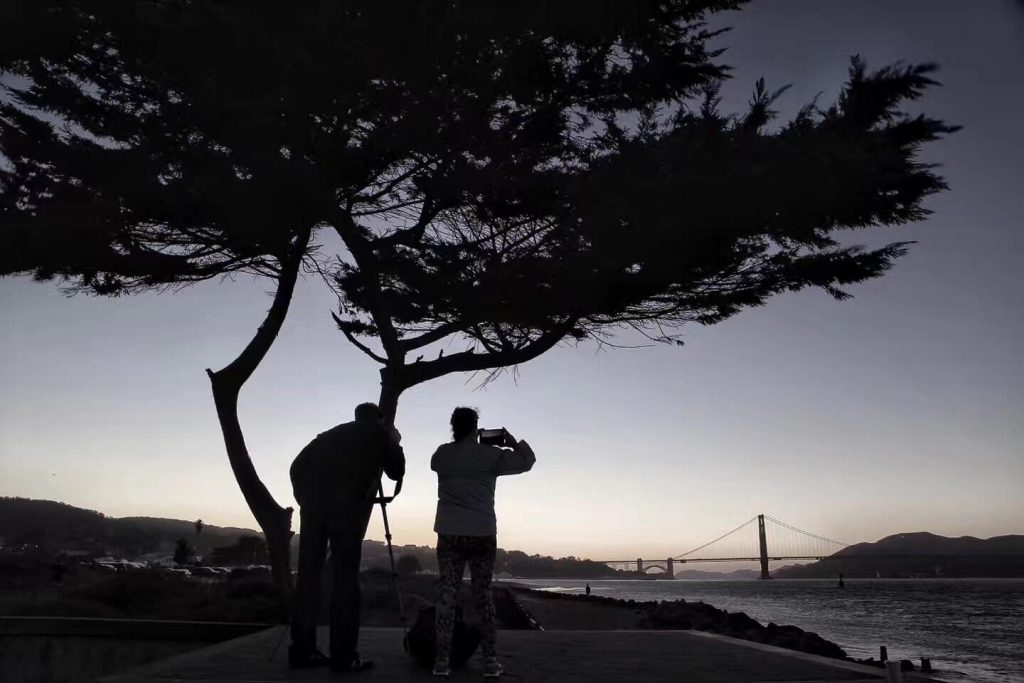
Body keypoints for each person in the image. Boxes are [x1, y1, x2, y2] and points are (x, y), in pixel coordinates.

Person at [288, 402, 405, 673]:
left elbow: (296, 467)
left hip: (314, 510)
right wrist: (395, 442)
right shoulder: (379, 434)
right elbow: (396, 471)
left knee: (307, 578)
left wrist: (305, 498)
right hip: (347, 510)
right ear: (378, 419)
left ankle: (302, 652)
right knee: (345, 582)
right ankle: (343, 656)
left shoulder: (328, 435)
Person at [430, 407, 536, 678]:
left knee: (447, 595)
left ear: (453, 426)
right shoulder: (491, 456)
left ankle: (441, 660)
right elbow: (528, 461)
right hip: (482, 533)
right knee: (483, 595)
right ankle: (490, 660)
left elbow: (434, 464)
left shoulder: (442, 454)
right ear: (476, 427)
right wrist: (509, 440)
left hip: (450, 532)